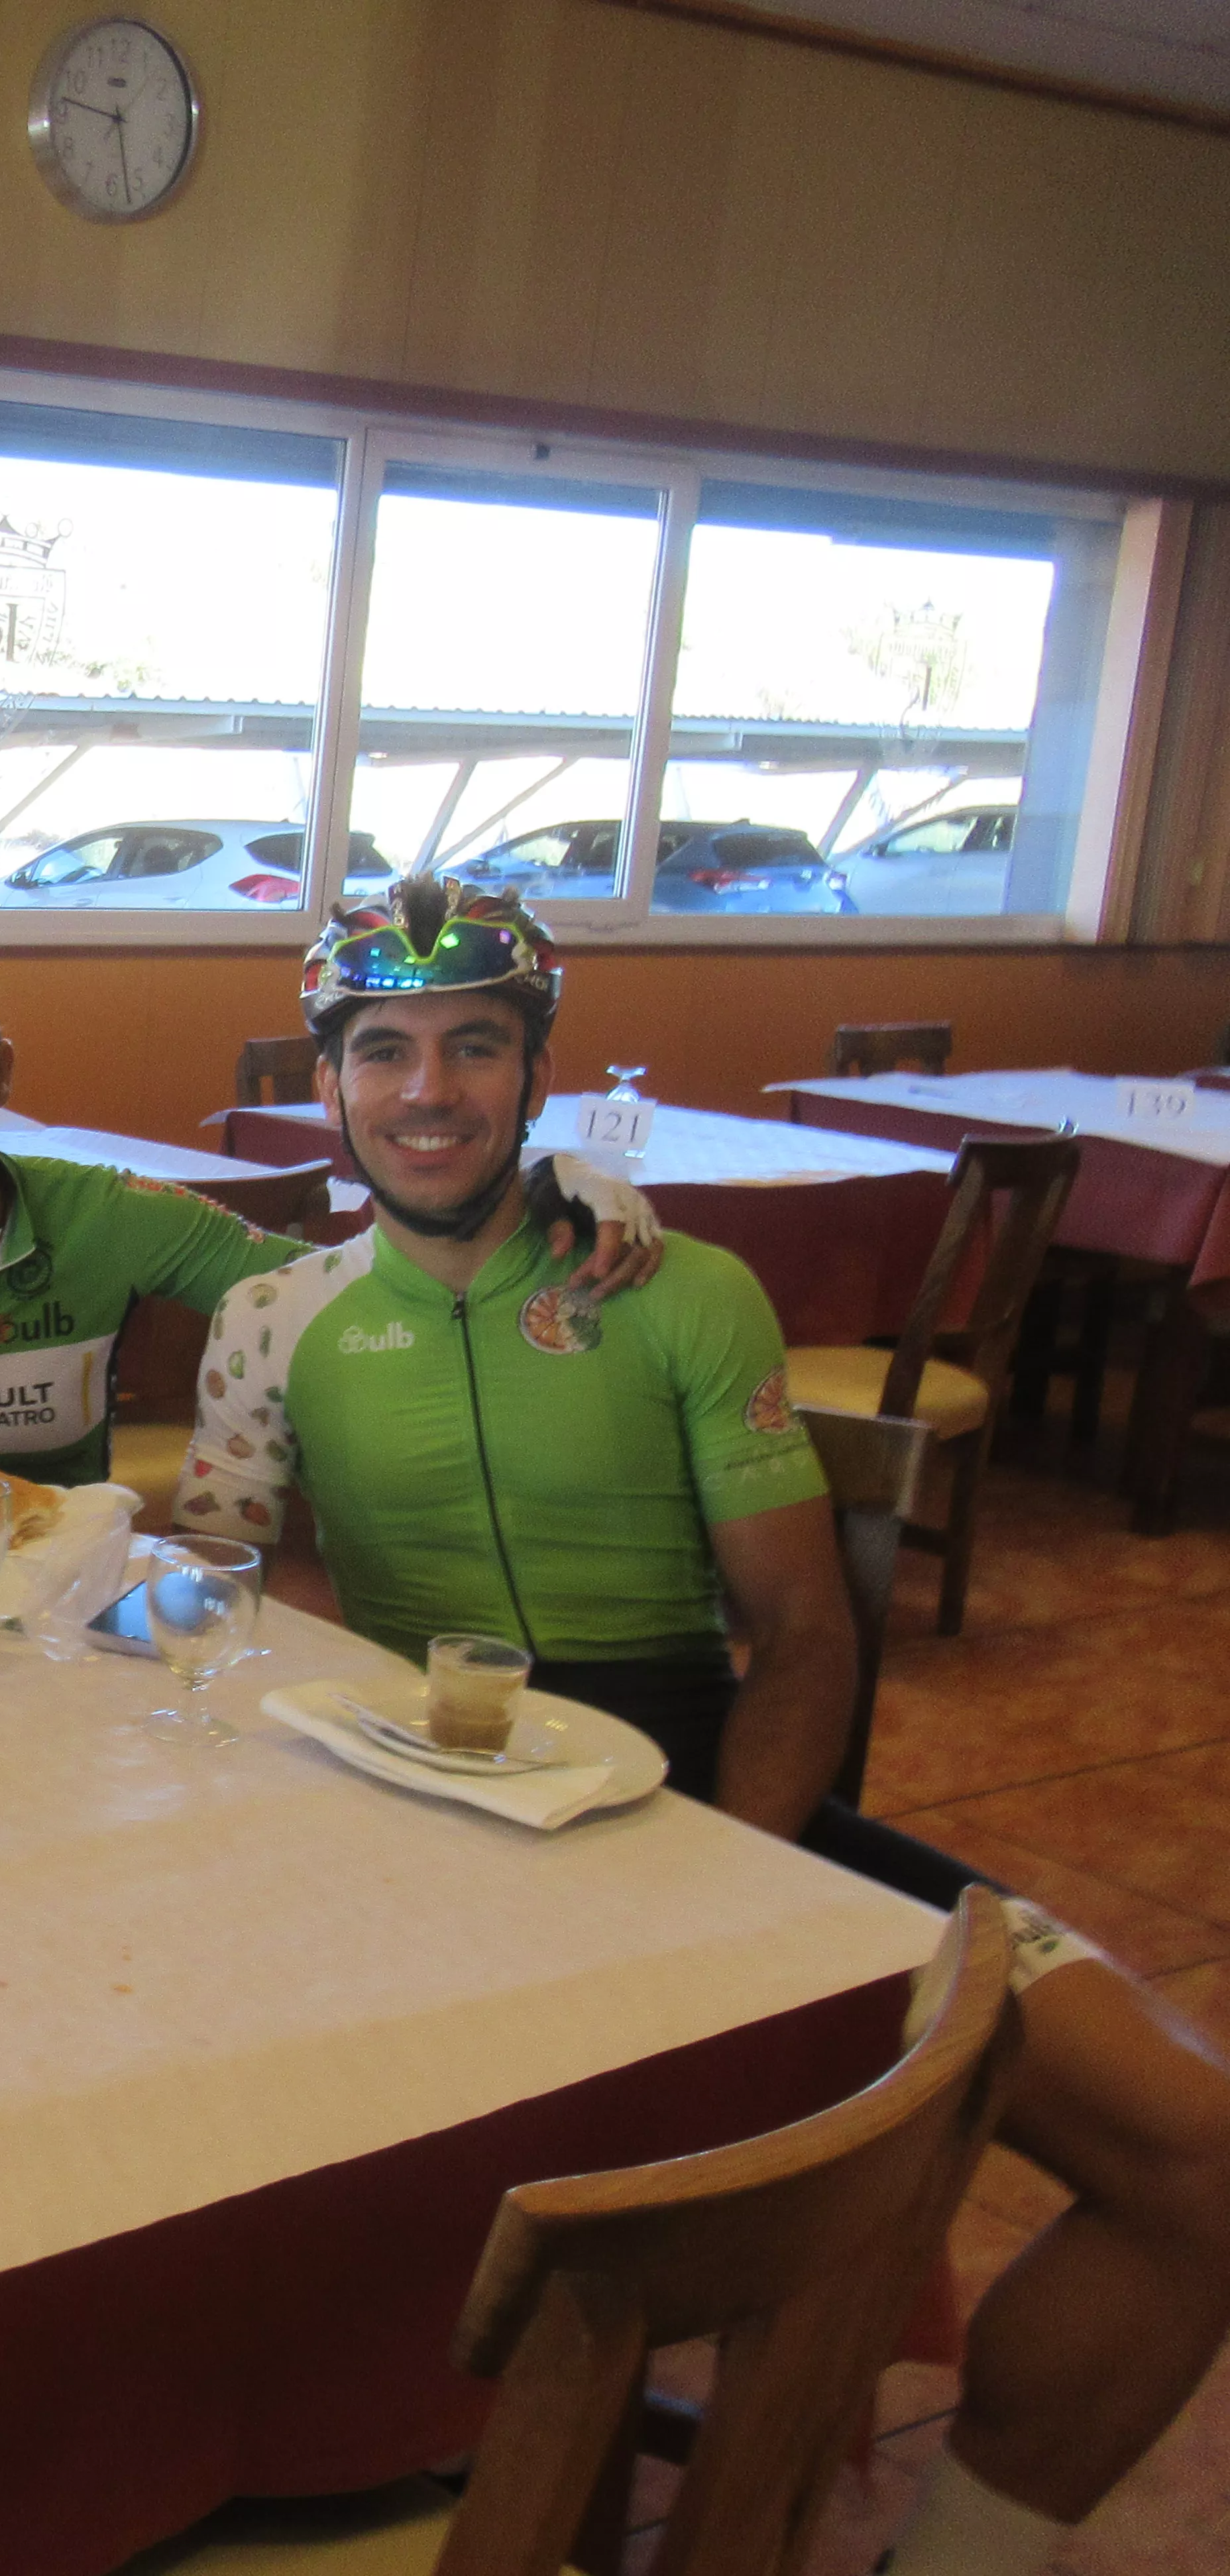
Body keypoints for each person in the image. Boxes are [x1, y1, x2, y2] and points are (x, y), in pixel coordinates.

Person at [176, 870, 1230, 2576]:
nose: (427, 1091)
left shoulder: (680, 1289)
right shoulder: (272, 1321)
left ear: (539, 1076)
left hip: (710, 1805)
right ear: (329, 1084)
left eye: (475, 1047)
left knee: (1198, 2162)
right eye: (383, 1050)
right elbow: (210, 1601)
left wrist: (731, 1882)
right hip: (401, 1813)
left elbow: (805, 1639)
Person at [0, 934, 656, 1509]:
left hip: (46, 1631)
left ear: (2, 1073)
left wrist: (537, 1183)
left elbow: (341, 1287)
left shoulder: (107, 1214)